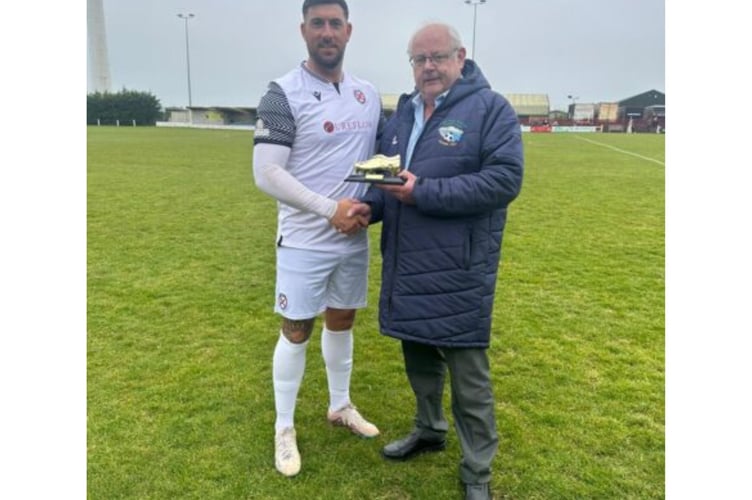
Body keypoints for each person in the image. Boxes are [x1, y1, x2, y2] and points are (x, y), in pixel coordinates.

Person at [349, 22, 523, 500]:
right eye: (418, 59)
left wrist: (423, 192)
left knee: (469, 378)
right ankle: (429, 429)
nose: (428, 67)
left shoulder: (491, 110)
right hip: (408, 264)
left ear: (460, 57)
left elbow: (505, 181)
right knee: (420, 359)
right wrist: (372, 206)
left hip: (460, 269)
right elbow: (388, 178)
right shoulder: (403, 112)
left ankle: (477, 470)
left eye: (437, 57)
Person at [251, 0, 382, 478]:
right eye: (317, 24)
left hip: (352, 237)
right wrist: (331, 209)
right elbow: (266, 172)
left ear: (349, 31)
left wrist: (370, 205)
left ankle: (340, 405)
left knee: (343, 321)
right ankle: (284, 427)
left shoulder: (367, 94)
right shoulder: (282, 93)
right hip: (305, 239)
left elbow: (380, 161)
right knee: (297, 329)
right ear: (303, 30)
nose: (327, 32)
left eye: (335, 24)